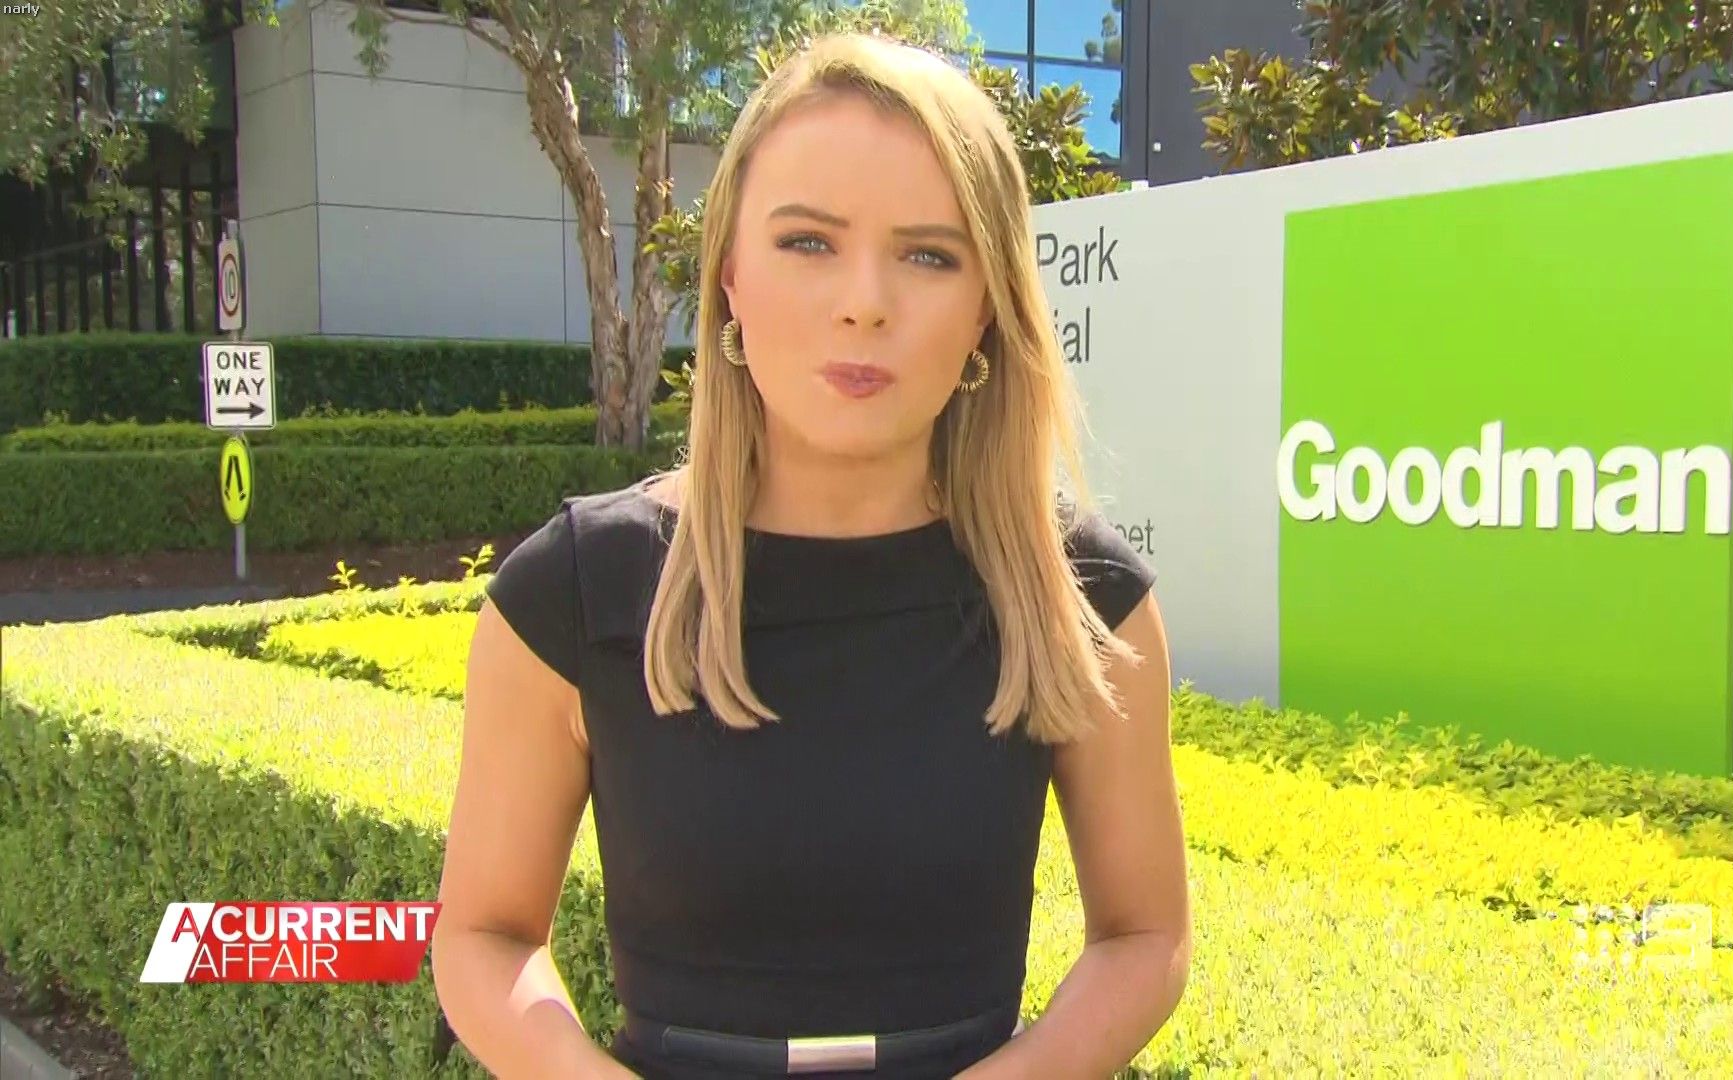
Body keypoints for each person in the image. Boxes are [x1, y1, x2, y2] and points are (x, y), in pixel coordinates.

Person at [432, 31, 1190, 1080]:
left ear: (987, 305)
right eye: (807, 242)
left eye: (929, 255)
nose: (864, 300)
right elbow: (484, 936)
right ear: (730, 276)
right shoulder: (575, 592)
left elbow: (1145, 938)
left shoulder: (1079, 595)